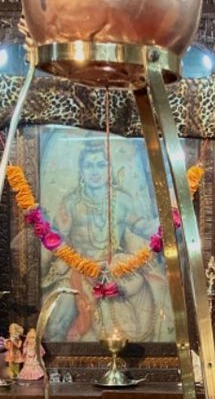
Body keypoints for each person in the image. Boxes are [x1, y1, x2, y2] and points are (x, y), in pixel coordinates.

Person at [42, 137, 173, 345]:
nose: (95, 171)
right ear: (81, 171)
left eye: (101, 165)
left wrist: (169, 218)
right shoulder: (71, 203)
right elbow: (55, 240)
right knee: (56, 321)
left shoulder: (122, 200)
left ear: (108, 169)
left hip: (117, 269)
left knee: (161, 297)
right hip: (79, 271)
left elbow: (143, 227)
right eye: (89, 165)